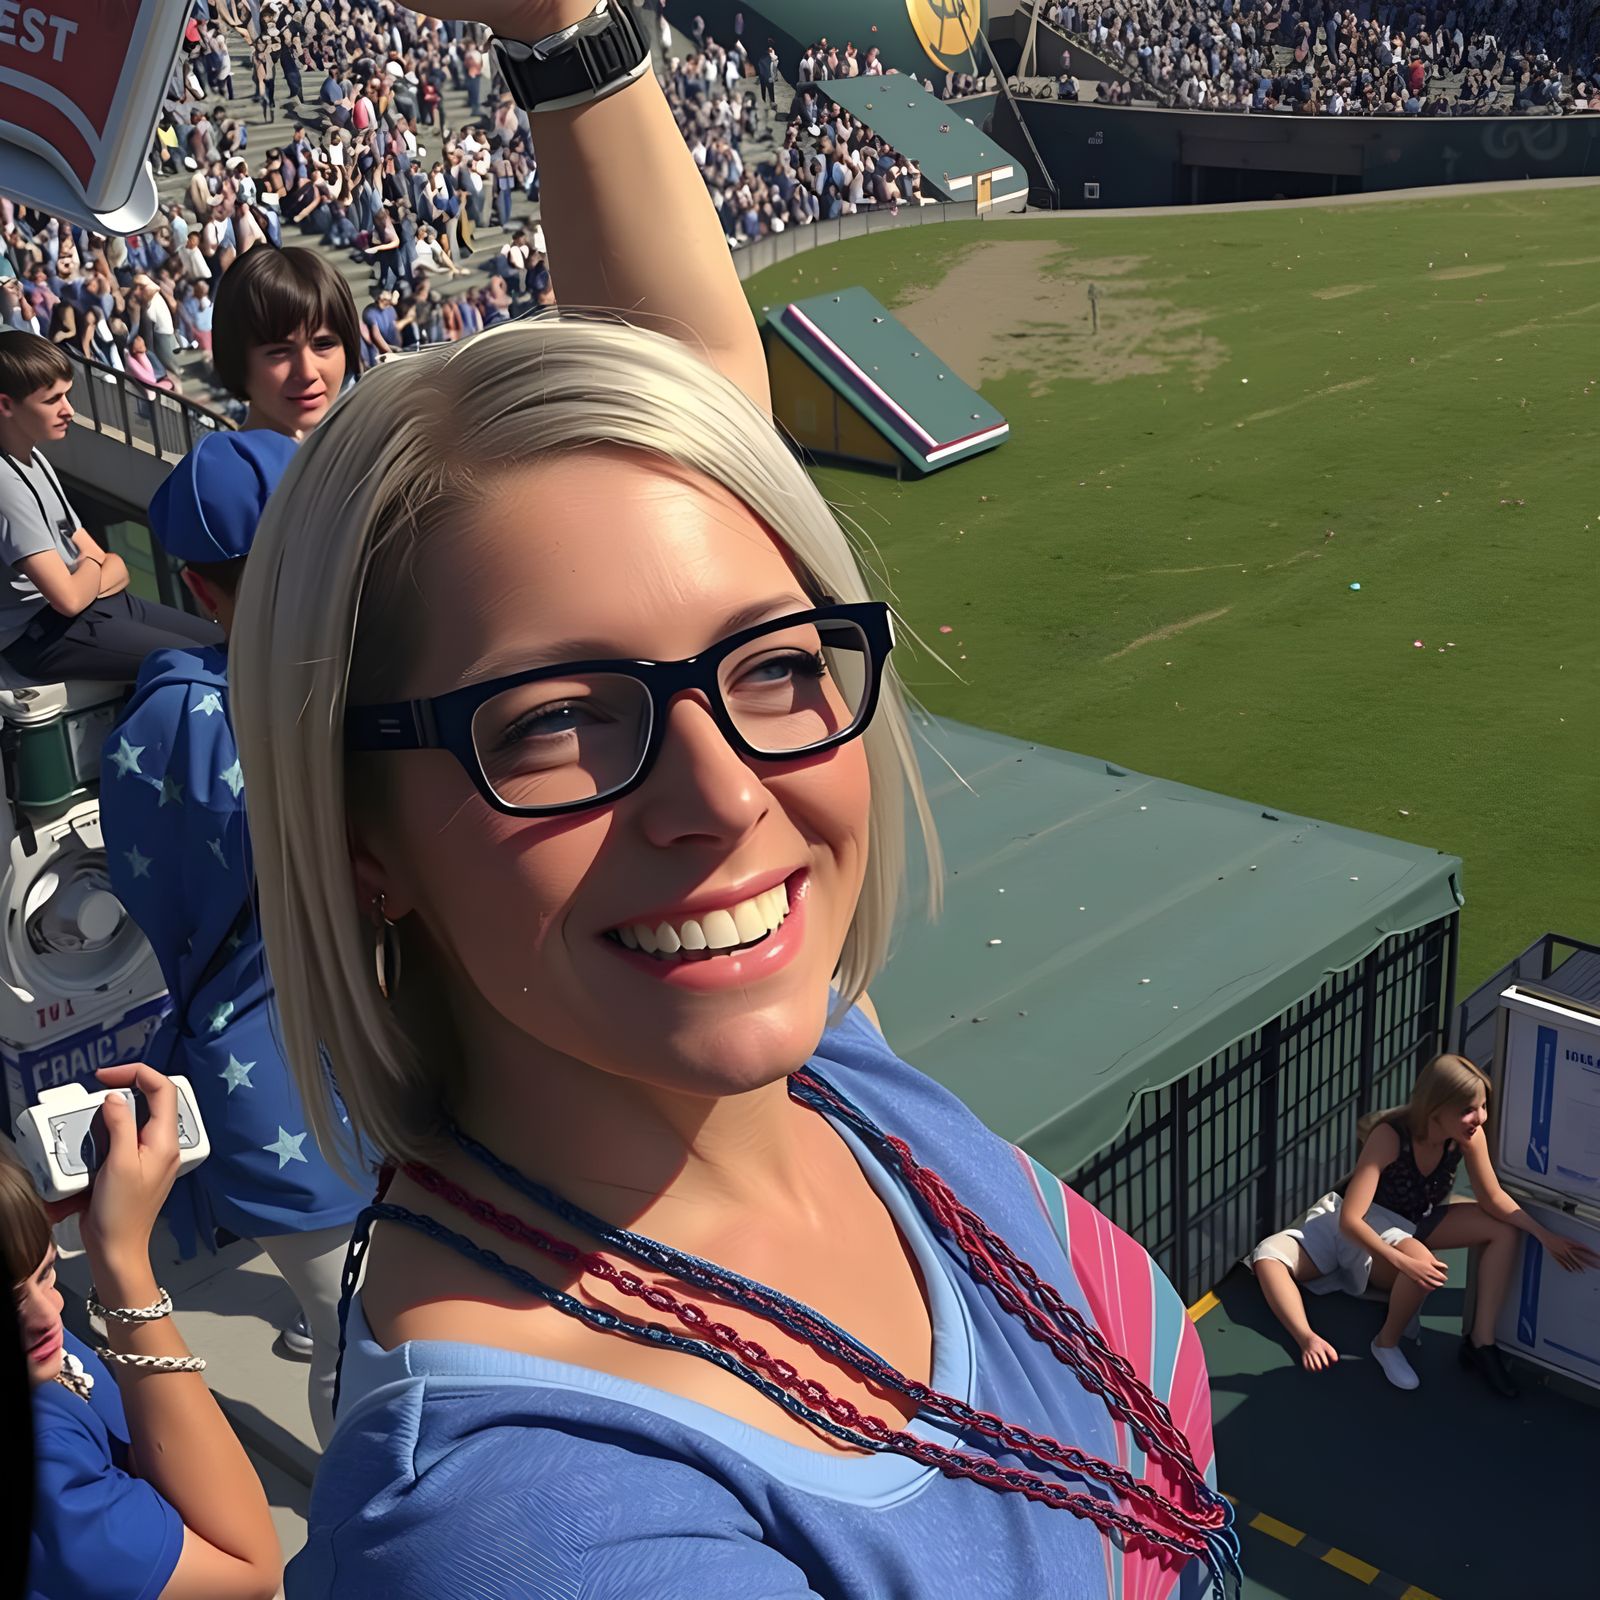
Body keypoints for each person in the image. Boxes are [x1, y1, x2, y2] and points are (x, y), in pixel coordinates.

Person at [230, 5, 1234, 1595]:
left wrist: (564, 34)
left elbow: (697, 423)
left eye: (771, 667)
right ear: (364, 843)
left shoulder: (789, 1059)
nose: (723, 796)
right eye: (558, 720)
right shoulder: (529, 1526)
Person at [100, 431, 367, 1448]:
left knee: (352, 1328)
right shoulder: (338, 699)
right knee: (360, 1332)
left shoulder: (168, 721)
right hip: (315, 1067)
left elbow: (150, 898)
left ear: (195, 587)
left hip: (268, 1068)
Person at [12, 1064, 283, 1598]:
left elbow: (145, 1457)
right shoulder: (44, 1467)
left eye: (45, 1273)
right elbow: (251, 1572)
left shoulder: (43, 1356)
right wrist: (122, 1262)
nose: (48, 1316)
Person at [1249, 1053, 1600, 1393]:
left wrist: (1544, 1235)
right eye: (1467, 1110)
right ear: (1436, 1109)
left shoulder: (1468, 1135)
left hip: (1418, 1219)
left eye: (1482, 1106)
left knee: (1503, 1230)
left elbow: (1492, 1198)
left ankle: (1481, 1343)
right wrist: (1399, 1260)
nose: (1480, 1117)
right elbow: (1351, 1221)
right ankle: (1374, 1342)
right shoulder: (1389, 1137)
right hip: (1369, 1222)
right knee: (1269, 1256)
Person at [0, 332, 219, 684]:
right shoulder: (5, 484)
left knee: (225, 645)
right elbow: (69, 597)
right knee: (203, 665)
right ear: (6, 405)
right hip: (45, 635)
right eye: (52, 400)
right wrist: (92, 566)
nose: (68, 409)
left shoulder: (35, 459)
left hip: (93, 608)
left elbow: (116, 567)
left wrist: (90, 569)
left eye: (67, 395)